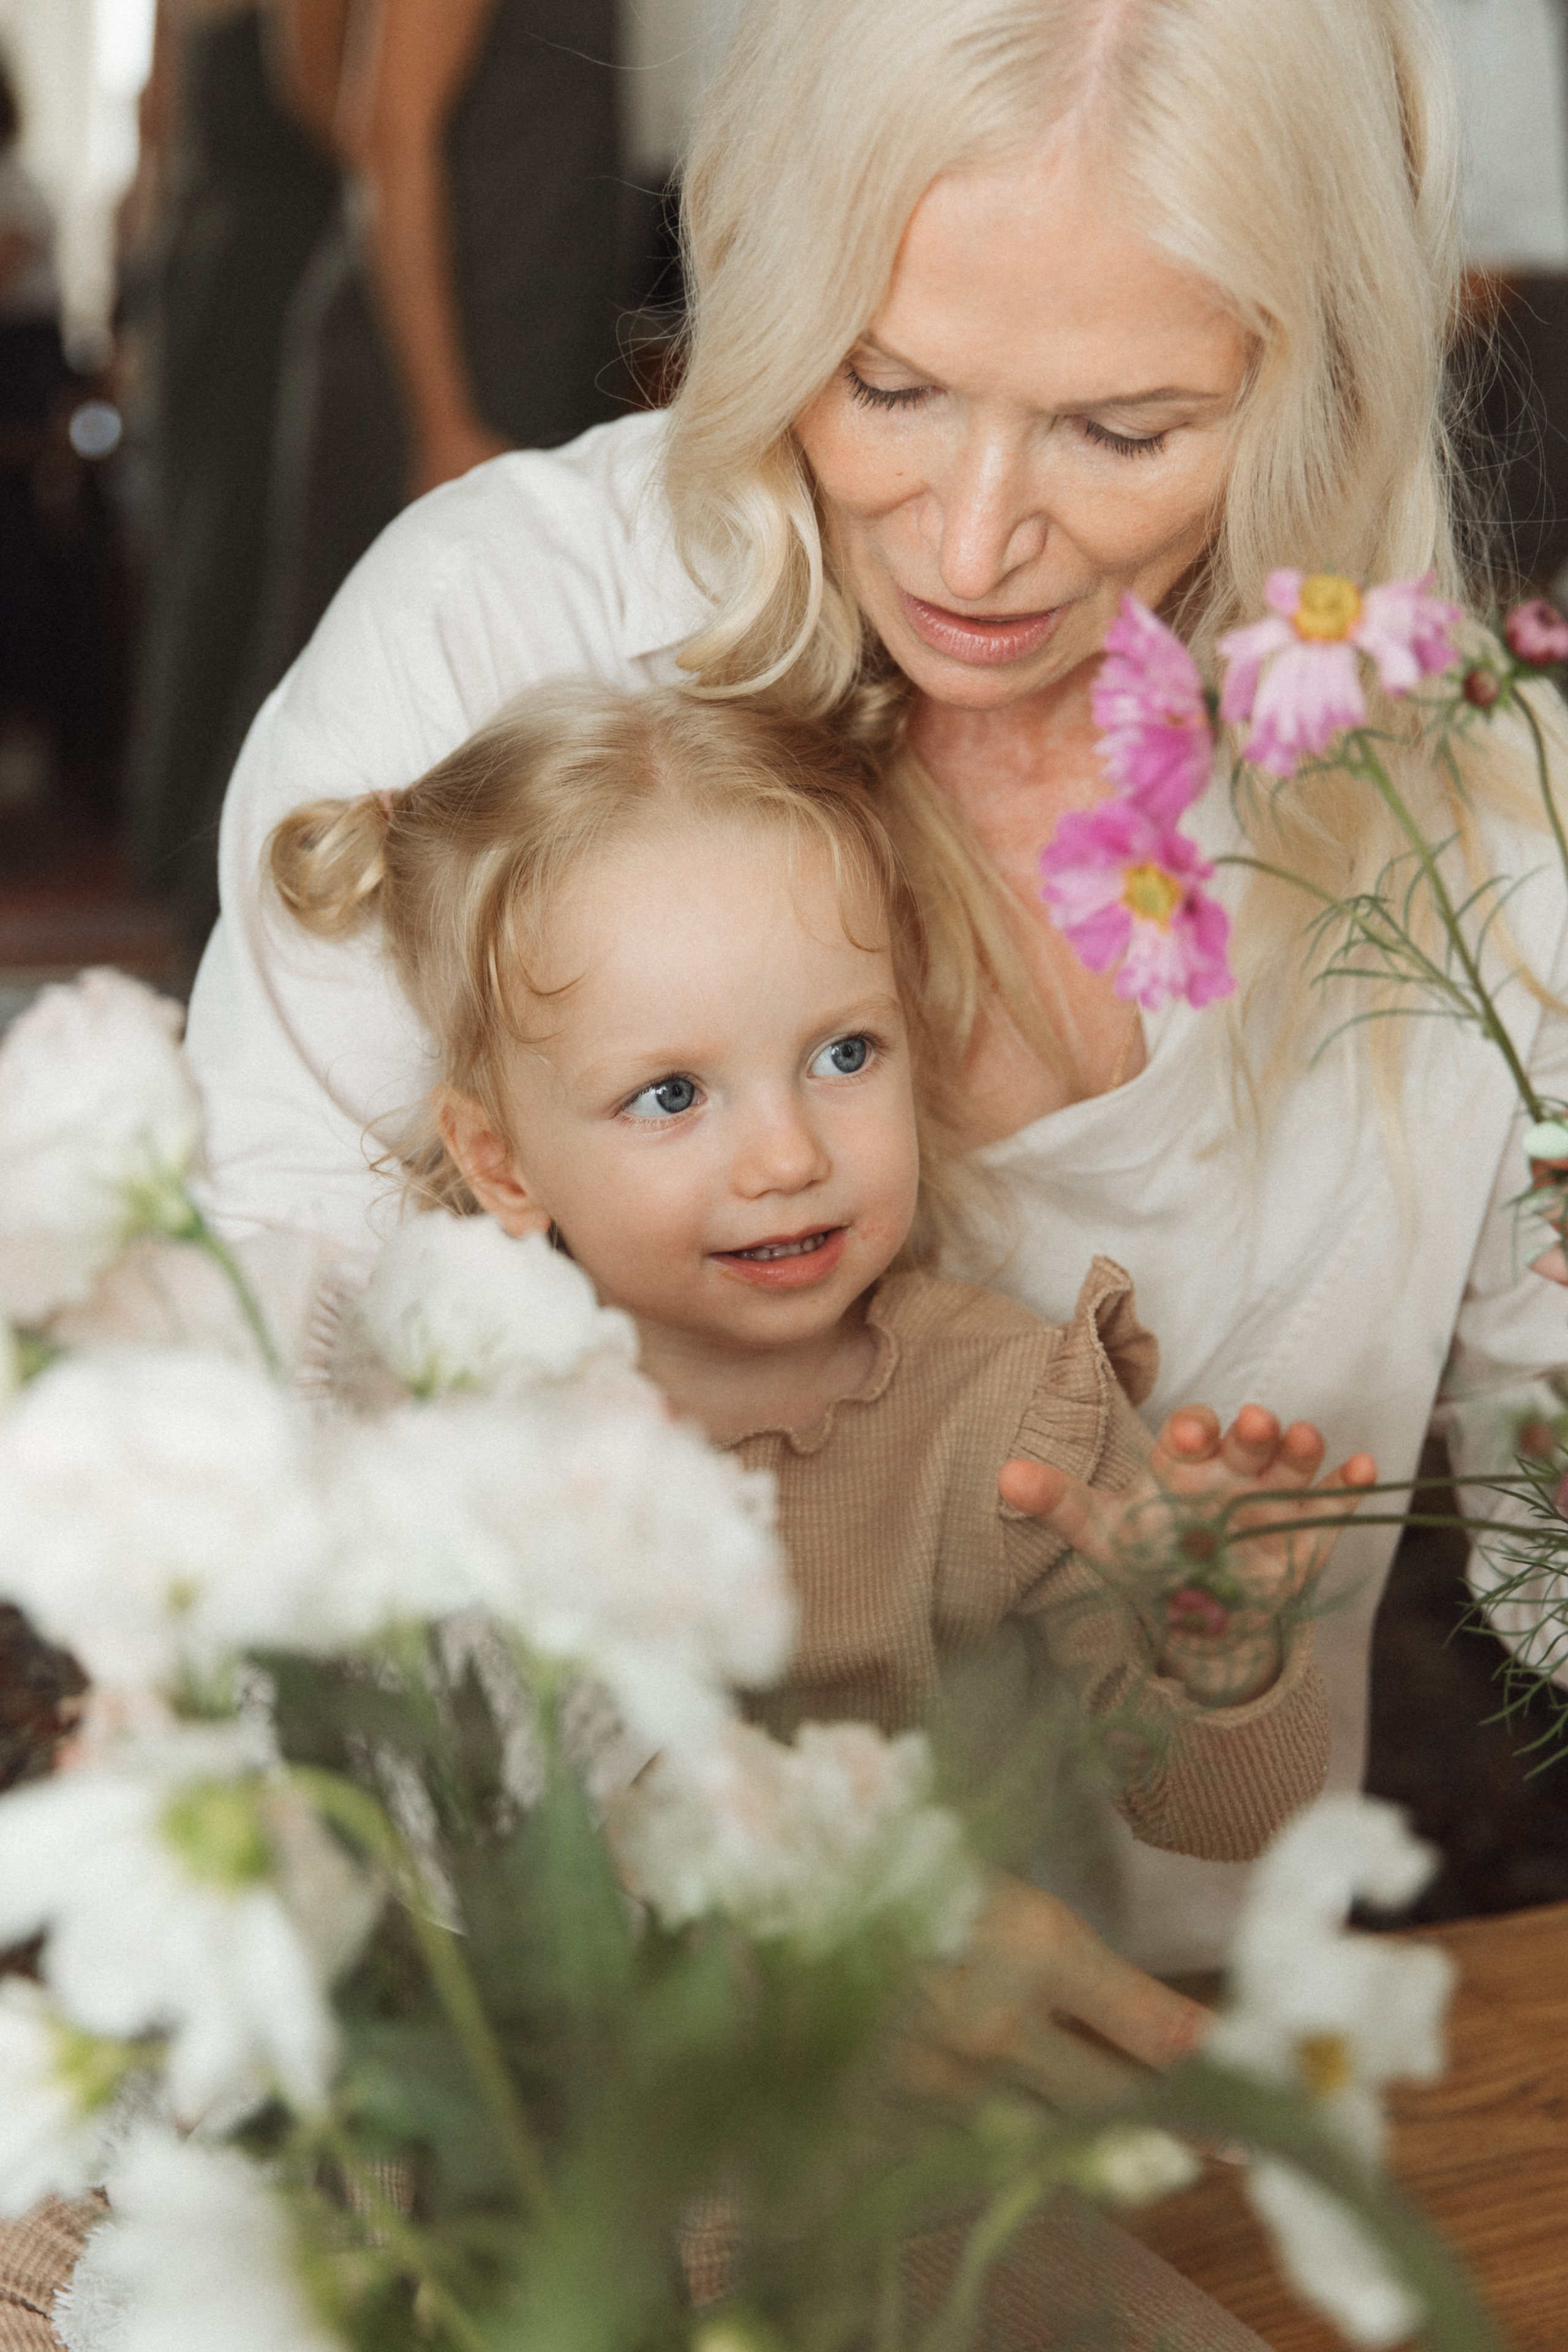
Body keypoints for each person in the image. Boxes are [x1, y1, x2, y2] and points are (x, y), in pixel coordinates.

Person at [184, 0, 1568, 2056]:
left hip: (1157, 2072)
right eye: (887, 381)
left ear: (1328, 377)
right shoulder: (501, 646)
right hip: (546, 2063)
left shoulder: (1475, 809)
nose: (976, 537)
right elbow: (232, 1495)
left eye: (1126, 428)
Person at [269, 680, 1363, 1856]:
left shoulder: (1012, 1421)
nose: (790, 1158)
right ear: (501, 1160)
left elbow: (1231, 1819)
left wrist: (1213, 1643)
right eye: (671, 1096)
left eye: (845, 1053)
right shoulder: (456, 1433)